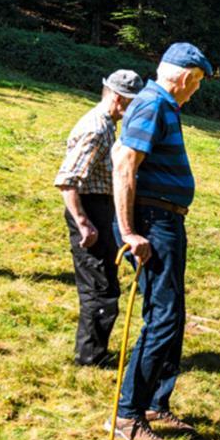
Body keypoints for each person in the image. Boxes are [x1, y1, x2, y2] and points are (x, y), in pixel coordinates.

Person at [107, 42, 212, 440]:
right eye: (198, 82)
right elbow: (124, 165)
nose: (196, 90)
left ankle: (154, 404)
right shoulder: (153, 103)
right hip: (152, 224)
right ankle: (127, 415)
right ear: (185, 76)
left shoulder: (165, 105)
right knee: (163, 317)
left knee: (173, 314)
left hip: (167, 220)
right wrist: (129, 231)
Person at [54, 69, 144, 367]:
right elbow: (67, 179)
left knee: (104, 283)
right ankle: (91, 357)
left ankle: (93, 351)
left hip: (98, 209)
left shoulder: (106, 124)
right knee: (100, 286)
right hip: (88, 212)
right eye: (133, 103)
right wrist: (82, 221)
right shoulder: (96, 128)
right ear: (119, 99)